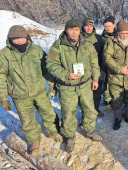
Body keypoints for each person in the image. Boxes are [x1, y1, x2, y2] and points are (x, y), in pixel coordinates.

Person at [0, 25, 62, 155]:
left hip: (39, 91)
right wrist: (3, 97)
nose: (19, 41)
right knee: (27, 120)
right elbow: (1, 76)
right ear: (10, 39)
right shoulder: (4, 54)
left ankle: (54, 132)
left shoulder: (37, 50)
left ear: (26, 37)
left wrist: (51, 85)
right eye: (16, 39)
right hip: (19, 95)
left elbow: (46, 69)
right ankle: (34, 141)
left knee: (49, 113)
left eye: (22, 38)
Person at [46, 19, 102, 153]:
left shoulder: (87, 44)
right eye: (71, 29)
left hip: (85, 85)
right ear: (66, 30)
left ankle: (90, 131)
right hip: (67, 87)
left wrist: (95, 79)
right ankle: (70, 137)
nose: (74, 32)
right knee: (68, 113)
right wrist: (66, 74)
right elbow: (50, 65)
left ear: (79, 30)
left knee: (89, 109)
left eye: (76, 29)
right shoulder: (58, 45)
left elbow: (94, 62)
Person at [103, 20, 128, 130]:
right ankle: (118, 118)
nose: (124, 35)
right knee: (116, 99)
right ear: (118, 32)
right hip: (116, 78)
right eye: (122, 33)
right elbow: (107, 57)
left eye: (126, 33)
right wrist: (120, 69)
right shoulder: (111, 42)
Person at [82, 18, 104, 117]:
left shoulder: (99, 38)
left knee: (97, 92)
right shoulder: (79, 38)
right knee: (85, 94)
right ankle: (86, 113)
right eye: (87, 26)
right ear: (83, 27)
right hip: (83, 70)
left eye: (91, 26)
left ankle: (95, 109)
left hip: (97, 69)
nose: (89, 28)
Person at [99, 16, 117, 108]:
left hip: (116, 63)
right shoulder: (102, 37)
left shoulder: (118, 35)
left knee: (115, 81)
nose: (108, 28)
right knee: (105, 82)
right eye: (106, 26)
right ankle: (107, 100)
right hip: (104, 63)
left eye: (110, 26)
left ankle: (116, 99)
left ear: (114, 25)